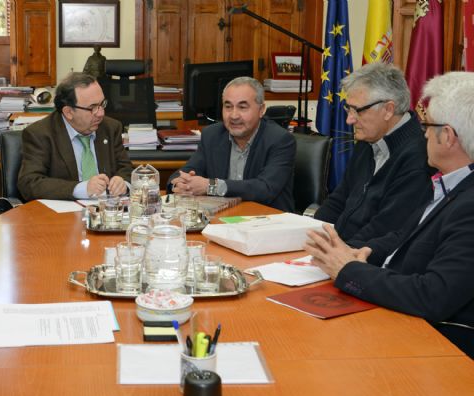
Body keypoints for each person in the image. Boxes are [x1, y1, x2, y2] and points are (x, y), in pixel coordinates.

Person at [304, 72, 474, 358]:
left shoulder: (468, 204)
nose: (424, 133)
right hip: (396, 310)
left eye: (428, 125)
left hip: (436, 347)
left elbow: (432, 296)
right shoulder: (450, 183)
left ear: (447, 136)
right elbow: (405, 234)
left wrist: (349, 269)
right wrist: (366, 252)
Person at [314, 63, 433, 243]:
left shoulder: (419, 155)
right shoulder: (368, 139)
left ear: (388, 110)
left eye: (357, 110)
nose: (349, 120)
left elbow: (386, 227)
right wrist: (311, 234)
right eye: (348, 109)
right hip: (339, 250)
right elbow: (338, 200)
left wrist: (338, 253)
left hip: (365, 258)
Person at [169, 76, 295, 212]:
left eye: (242, 107)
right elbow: (184, 172)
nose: (234, 115)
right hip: (225, 220)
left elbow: (265, 189)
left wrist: (211, 186)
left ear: (261, 110)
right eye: (228, 107)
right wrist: (180, 184)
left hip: (268, 221)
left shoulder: (281, 140)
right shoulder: (213, 135)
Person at [18, 72, 133, 200]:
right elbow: (30, 183)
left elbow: (126, 168)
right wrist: (82, 189)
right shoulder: (40, 134)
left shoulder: (110, 128)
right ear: (68, 112)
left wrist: (122, 182)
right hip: (62, 215)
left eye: (102, 104)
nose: (101, 113)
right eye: (92, 108)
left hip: (107, 212)